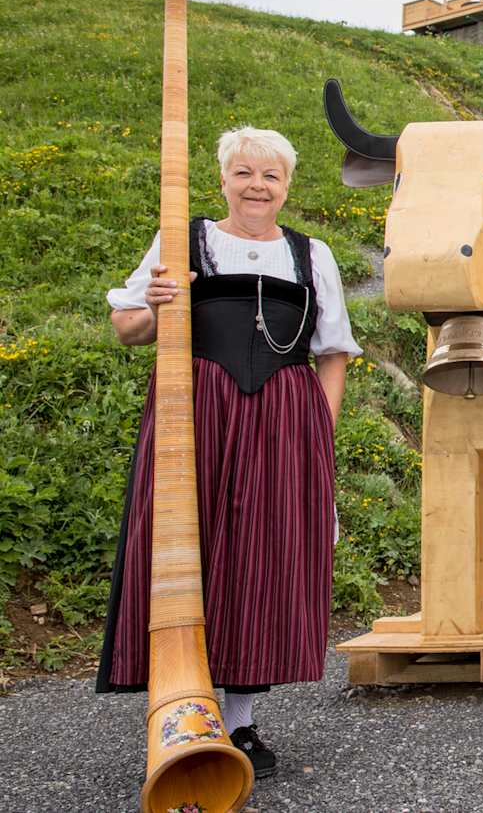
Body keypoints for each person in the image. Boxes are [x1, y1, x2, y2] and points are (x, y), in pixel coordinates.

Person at [97, 127, 359, 780]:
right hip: (197, 418)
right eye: (244, 173)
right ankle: (183, 711)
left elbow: (331, 355)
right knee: (192, 552)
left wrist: (318, 440)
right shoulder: (183, 239)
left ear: (287, 185)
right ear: (223, 179)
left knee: (257, 562)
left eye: (270, 176)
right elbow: (127, 326)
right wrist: (157, 306)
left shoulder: (310, 254)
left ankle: (239, 725)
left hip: (283, 422)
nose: (257, 186)